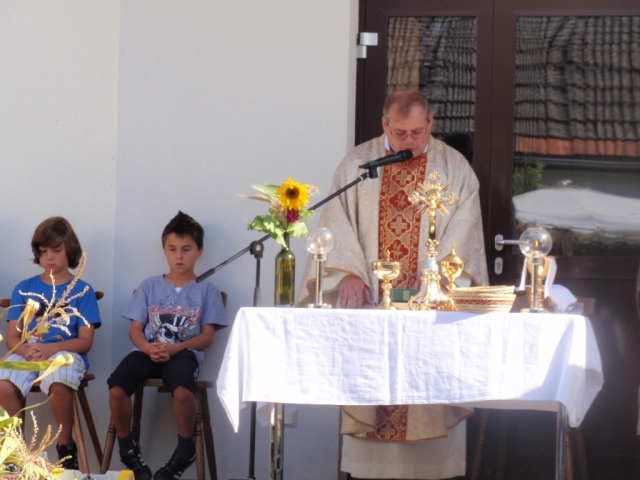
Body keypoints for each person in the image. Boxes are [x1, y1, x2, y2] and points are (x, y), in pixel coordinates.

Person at [298, 90, 489, 479]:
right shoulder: (359, 165)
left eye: (417, 132)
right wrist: (348, 274)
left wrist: (438, 272)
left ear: (431, 122)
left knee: (428, 407)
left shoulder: (454, 167)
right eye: (400, 133)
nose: (409, 141)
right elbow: (336, 223)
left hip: (429, 312)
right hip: (372, 308)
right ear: (385, 124)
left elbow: (465, 228)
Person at [107, 211, 227, 480]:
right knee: (116, 386)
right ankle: (127, 447)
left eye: (186, 249)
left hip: (184, 353)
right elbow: (135, 329)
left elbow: (207, 337)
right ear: (164, 250)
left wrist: (175, 348)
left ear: (199, 251)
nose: (179, 256)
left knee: (183, 392)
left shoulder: (207, 290)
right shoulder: (149, 286)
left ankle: (185, 450)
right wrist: (148, 348)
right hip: (147, 350)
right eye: (172, 249)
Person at [0, 216, 102, 470]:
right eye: (43, 251)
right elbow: (12, 337)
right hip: (26, 353)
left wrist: (49, 349)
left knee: (59, 381)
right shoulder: (24, 288)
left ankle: (65, 448)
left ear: (70, 250)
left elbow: (85, 341)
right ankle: (16, 452)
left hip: (63, 354)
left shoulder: (82, 290)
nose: (49, 257)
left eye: (56, 250)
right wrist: (27, 350)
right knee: (2, 383)